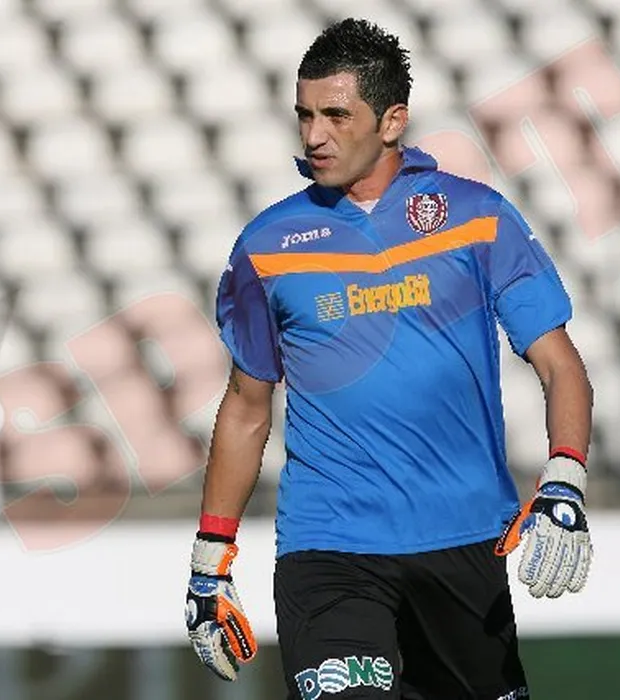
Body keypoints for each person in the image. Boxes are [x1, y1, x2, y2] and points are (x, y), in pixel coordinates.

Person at [183, 17, 594, 700]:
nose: (314, 136)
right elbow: (247, 407)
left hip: (465, 540)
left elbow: (560, 363)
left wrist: (565, 480)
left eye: (336, 115)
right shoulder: (266, 245)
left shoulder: (477, 216)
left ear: (392, 121)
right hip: (330, 548)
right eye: (305, 115)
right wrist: (209, 562)